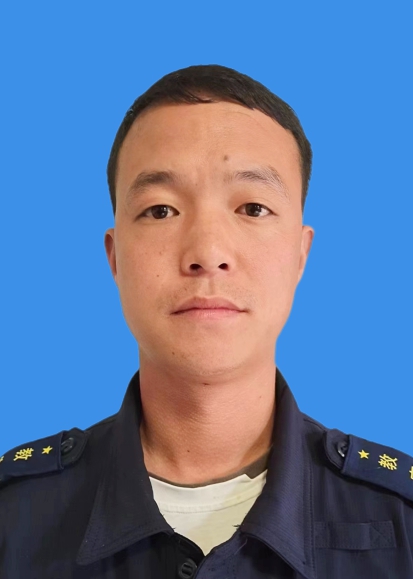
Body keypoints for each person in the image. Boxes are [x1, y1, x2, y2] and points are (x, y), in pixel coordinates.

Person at [0, 64, 412, 579]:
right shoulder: (14, 519)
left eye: (253, 208)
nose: (208, 253)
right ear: (115, 257)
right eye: (160, 210)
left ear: (300, 255)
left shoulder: (400, 519)